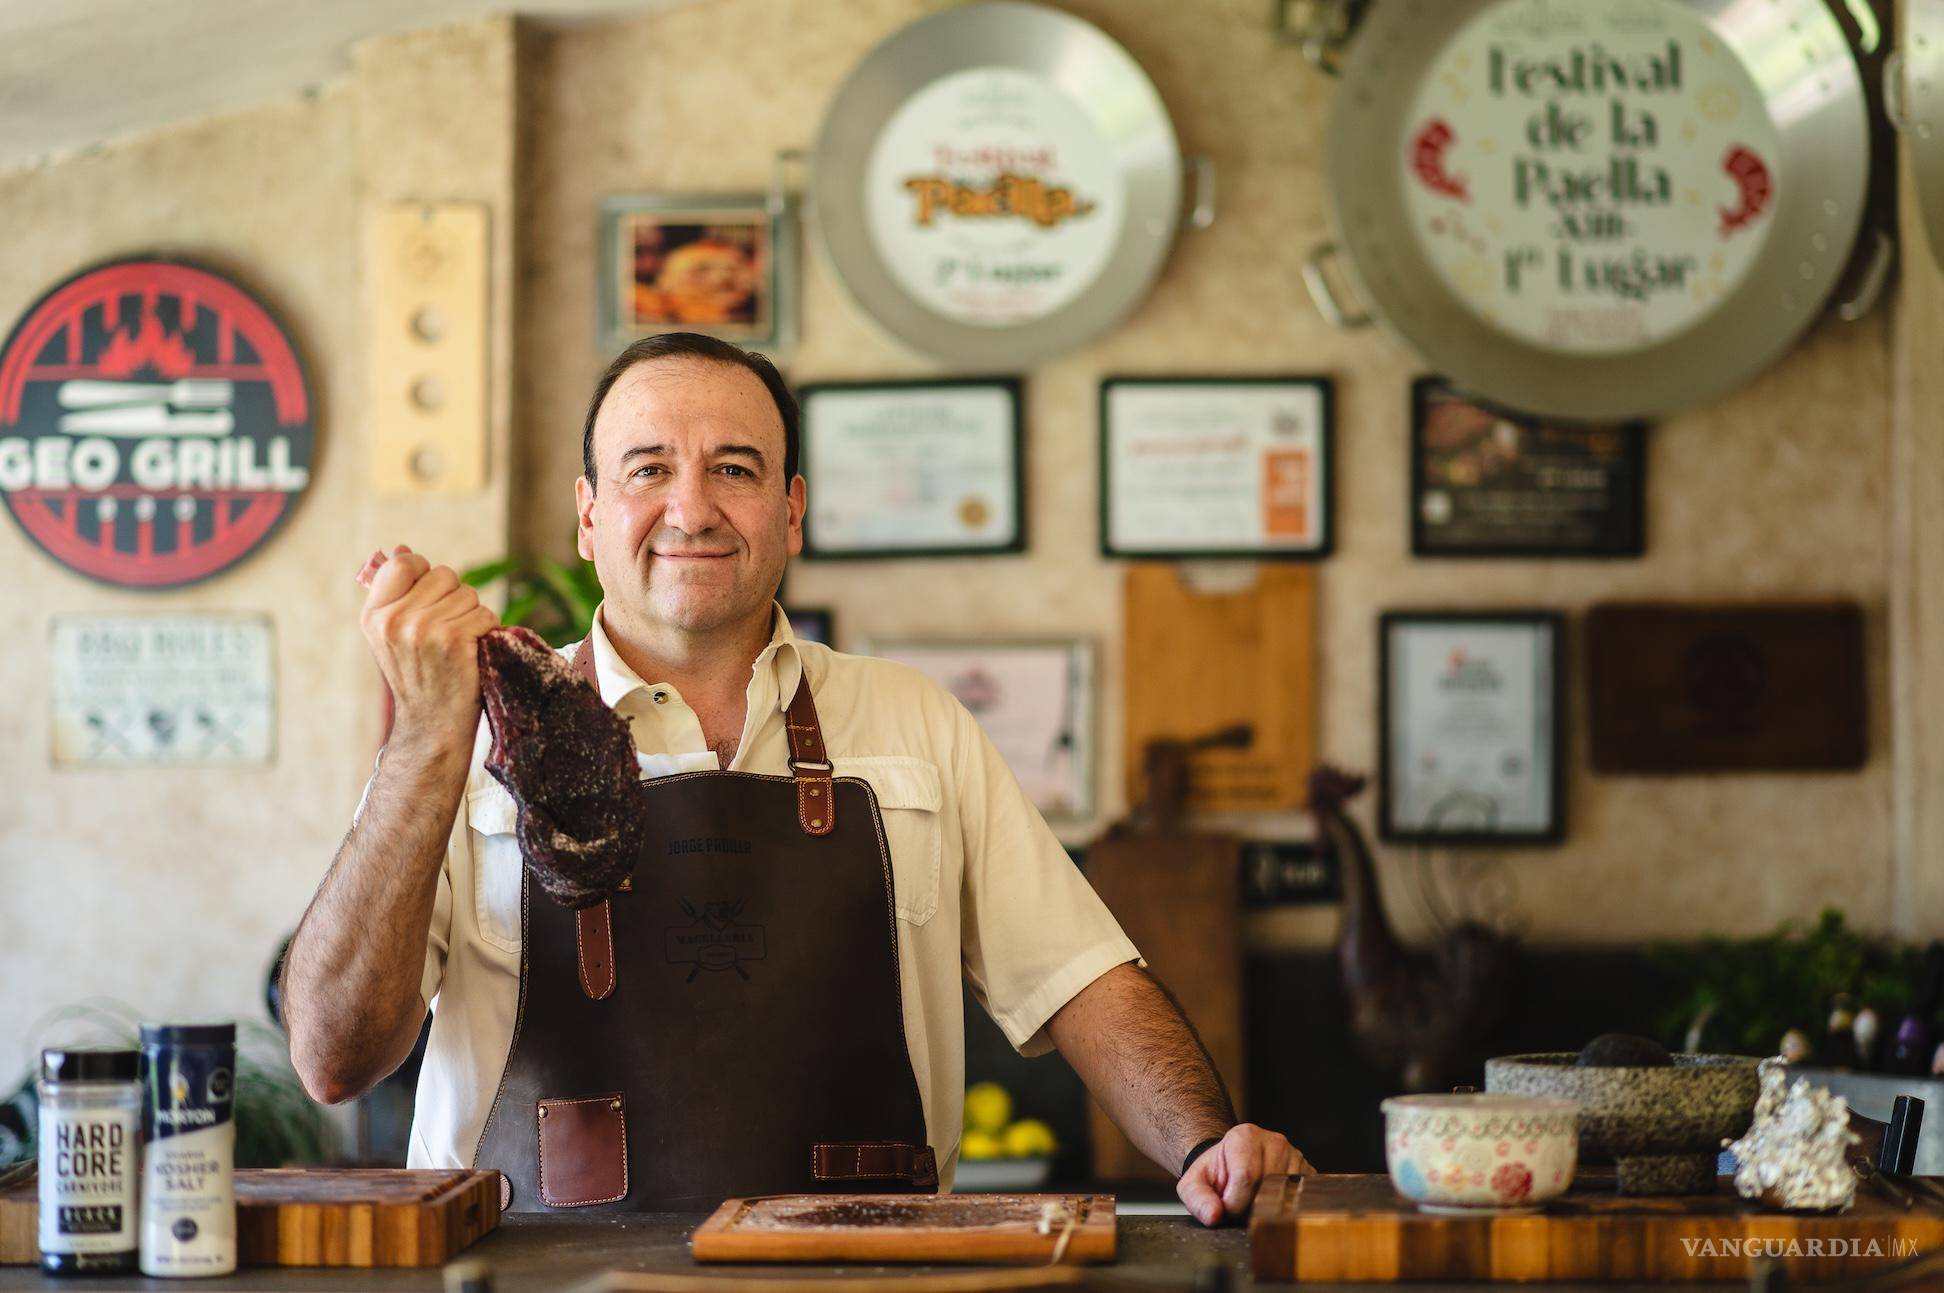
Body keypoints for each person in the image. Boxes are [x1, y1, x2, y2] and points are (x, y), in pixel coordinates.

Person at [280, 332, 1310, 1223]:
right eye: (646, 470)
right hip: (535, 1277)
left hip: (869, 1282)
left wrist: (1202, 1148)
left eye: (735, 468)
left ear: (792, 509)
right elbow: (335, 1060)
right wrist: (426, 738)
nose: (692, 507)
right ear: (587, 519)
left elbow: (1083, 983)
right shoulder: (462, 743)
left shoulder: (916, 725)